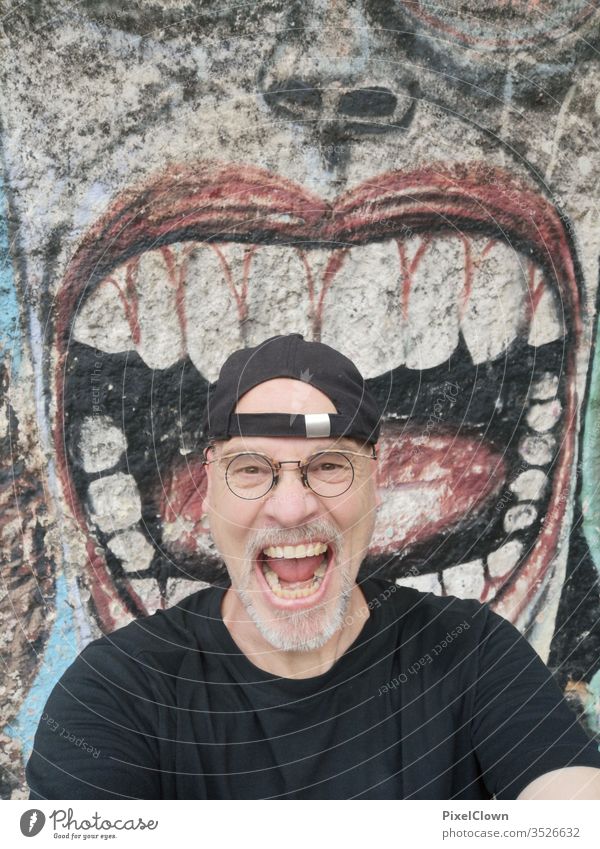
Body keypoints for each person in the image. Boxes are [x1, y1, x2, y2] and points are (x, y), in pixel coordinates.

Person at [27, 334, 600, 800]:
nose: (292, 507)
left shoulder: (470, 652)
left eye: (328, 466)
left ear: (376, 483)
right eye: (251, 469)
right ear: (209, 492)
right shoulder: (119, 689)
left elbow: (573, 806)